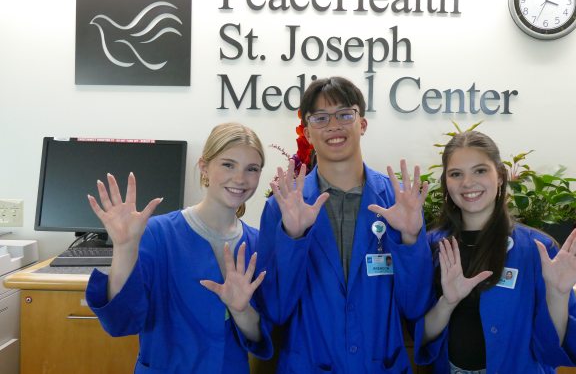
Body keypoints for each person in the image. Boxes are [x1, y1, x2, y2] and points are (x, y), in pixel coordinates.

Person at [256, 76, 433, 373]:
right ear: (307, 133)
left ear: (361, 124)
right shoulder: (283, 205)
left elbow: (415, 306)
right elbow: (275, 309)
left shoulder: (399, 200)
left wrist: (411, 239)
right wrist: (293, 236)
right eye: (320, 118)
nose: (334, 126)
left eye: (344, 114)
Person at [85, 123, 273, 374]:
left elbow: (259, 339)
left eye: (252, 169)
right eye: (228, 164)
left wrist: (241, 310)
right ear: (204, 166)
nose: (240, 178)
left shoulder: (258, 244)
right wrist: (125, 247)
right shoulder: (158, 234)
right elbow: (121, 322)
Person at [415, 131, 576, 374]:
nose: (467, 183)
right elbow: (421, 338)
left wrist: (557, 294)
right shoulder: (432, 246)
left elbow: (553, 349)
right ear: (446, 182)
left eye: (480, 170)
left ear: (500, 176)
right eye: (456, 174)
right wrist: (447, 303)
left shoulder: (536, 249)